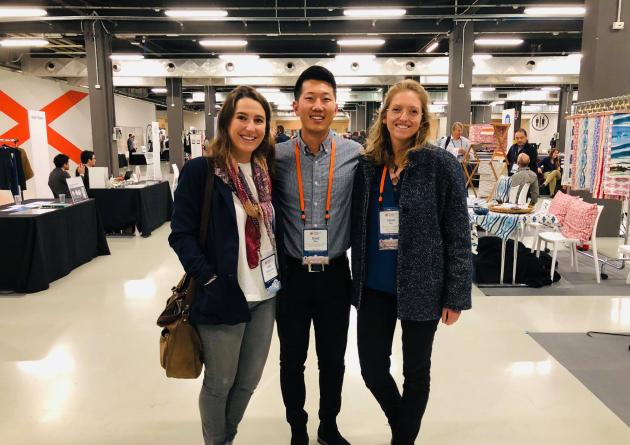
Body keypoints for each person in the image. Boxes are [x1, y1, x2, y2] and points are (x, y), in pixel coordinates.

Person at [350, 79, 472, 445]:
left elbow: (458, 234)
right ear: (384, 115)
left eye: (413, 111)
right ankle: (403, 424)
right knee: (372, 369)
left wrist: (456, 295)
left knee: (416, 371)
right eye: (397, 110)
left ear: (423, 119)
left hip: (424, 286)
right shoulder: (368, 165)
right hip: (373, 286)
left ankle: (402, 439)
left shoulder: (441, 165)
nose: (404, 117)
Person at [169, 86, 279, 445]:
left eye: (258, 120)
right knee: (220, 382)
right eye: (242, 118)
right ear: (226, 122)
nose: (251, 127)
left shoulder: (266, 171)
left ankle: (224, 438)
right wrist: (211, 278)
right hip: (222, 293)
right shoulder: (202, 171)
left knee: (248, 381)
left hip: (266, 293)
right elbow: (181, 234)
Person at [274, 66, 361, 445]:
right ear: (296, 105)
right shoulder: (274, 157)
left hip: (334, 276)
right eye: (309, 98)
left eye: (325, 98)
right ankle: (297, 428)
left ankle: (329, 425)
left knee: (333, 361)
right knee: (291, 361)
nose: (318, 105)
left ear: (336, 105)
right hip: (290, 275)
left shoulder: (356, 155)